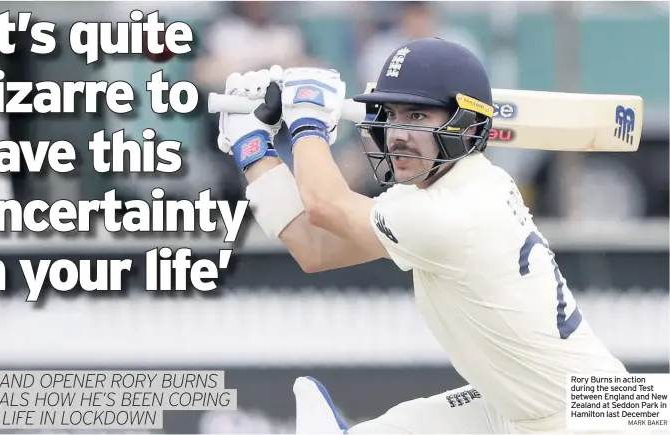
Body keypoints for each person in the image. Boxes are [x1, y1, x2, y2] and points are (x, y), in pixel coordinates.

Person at [215, 38, 628, 434]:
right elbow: (314, 249)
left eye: (416, 117)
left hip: (588, 420)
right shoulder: (448, 192)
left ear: (467, 128)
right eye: (391, 115)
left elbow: (325, 207)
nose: (396, 133)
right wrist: (254, 149)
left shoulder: (451, 214)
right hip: (567, 405)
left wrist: (306, 122)